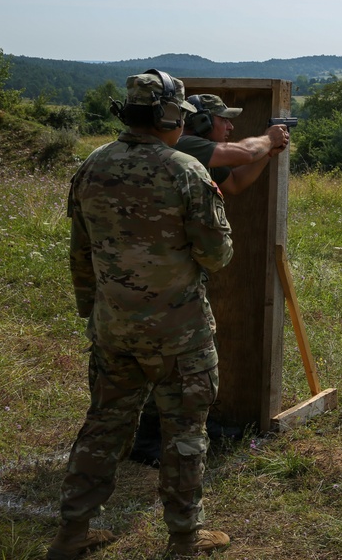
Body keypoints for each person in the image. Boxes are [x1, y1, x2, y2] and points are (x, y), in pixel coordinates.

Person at [47, 70, 234, 560]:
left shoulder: (91, 166)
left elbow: (79, 252)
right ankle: (183, 540)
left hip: (113, 331)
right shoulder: (185, 171)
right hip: (181, 335)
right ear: (169, 115)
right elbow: (217, 255)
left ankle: (72, 533)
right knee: (185, 435)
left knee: (103, 425)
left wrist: (91, 309)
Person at [127, 93, 290, 466]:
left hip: (153, 276)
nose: (230, 126)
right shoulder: (185, 145)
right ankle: (155, 437)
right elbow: (241, 154)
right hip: (158, 279)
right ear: (199, 122)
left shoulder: (191, 152)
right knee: (176, 364)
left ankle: (157, 433)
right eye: (222, 119)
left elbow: (234, 184)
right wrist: (267, 140)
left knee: (165, 363)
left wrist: (268, 152)